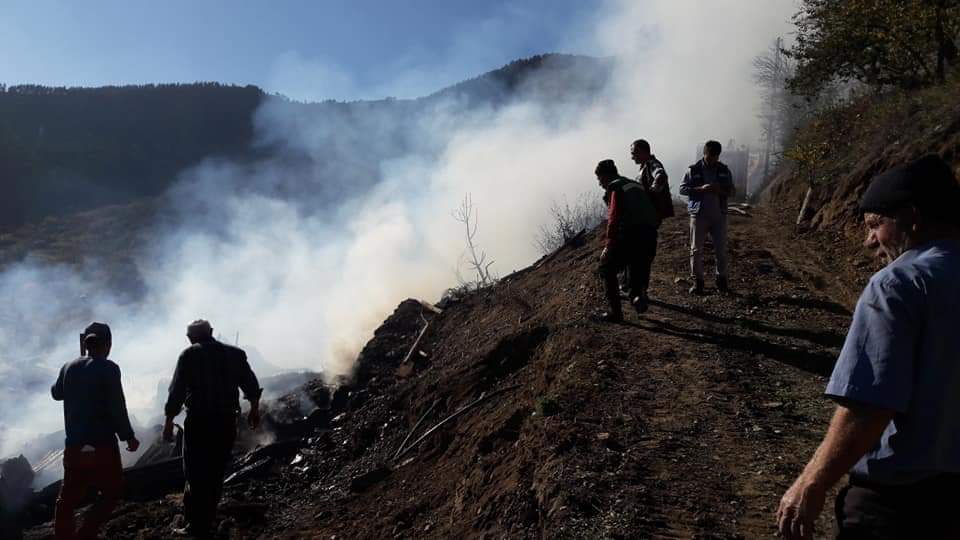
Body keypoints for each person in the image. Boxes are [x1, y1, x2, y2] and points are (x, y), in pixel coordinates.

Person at [776, 155, 960, 540]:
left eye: (875, 225)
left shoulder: (898, 284)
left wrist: (811, 482)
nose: (868, 240)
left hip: (903, 507)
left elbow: (869, 406)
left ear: (912, 217)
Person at [163, 319, 262, 537]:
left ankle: (195, 526)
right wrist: (254, 410)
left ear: (190, 338)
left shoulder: (188, 355)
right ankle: (205, 522)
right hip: (226, 423)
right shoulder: (235, 354)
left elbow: (176, 393)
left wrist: (169, 422)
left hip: (199, 423)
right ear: (212, 332)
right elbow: (251, 385)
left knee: (195, 472)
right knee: (215, 472)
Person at [52, 322, 140, 540]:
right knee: (112, 492)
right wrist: (127, 435)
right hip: (102, 445)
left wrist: (75, 368)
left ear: (86, 343)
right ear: (108, 344)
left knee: (67, 499)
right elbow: (116, 406)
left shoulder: (68, 366)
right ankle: (86, 533)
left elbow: (56, 393)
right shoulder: (109, 368)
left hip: (74, 446)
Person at [595, 159, 659, 322]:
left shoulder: (615, 186)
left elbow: (614, 217)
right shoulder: (635, 184)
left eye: (599, 179)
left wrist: (608, 246)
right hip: (650, 234)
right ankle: (637, 297)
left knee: (606, 268)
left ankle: (615, 313)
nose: (600, 183)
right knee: (636, 265)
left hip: (631, 234)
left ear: (605, 176)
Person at [679, 140, 735, 295]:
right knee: (696, 250)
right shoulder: (693, 170)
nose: (712, 160)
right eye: (709, 157)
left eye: (715, 157)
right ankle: (698, 282)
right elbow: (682, 189)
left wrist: (719, 190)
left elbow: (732, 191)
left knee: (721, 250)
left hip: (719, 215)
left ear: (718, 156)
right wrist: (700, 189)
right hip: (698, 216)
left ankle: (721, 281)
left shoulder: (724, 170)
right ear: (704, 154)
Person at [630, 139, 673, 303]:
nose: (632, 157)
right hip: (643, 219)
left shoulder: (653, 165)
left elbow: (660, 175)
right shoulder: (644, 168)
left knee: (643, 256)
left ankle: (641, 291)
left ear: (643, 151)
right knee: (639, 255)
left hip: (648, 220)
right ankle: (637, 288)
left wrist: (656, 186)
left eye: (634, 153)